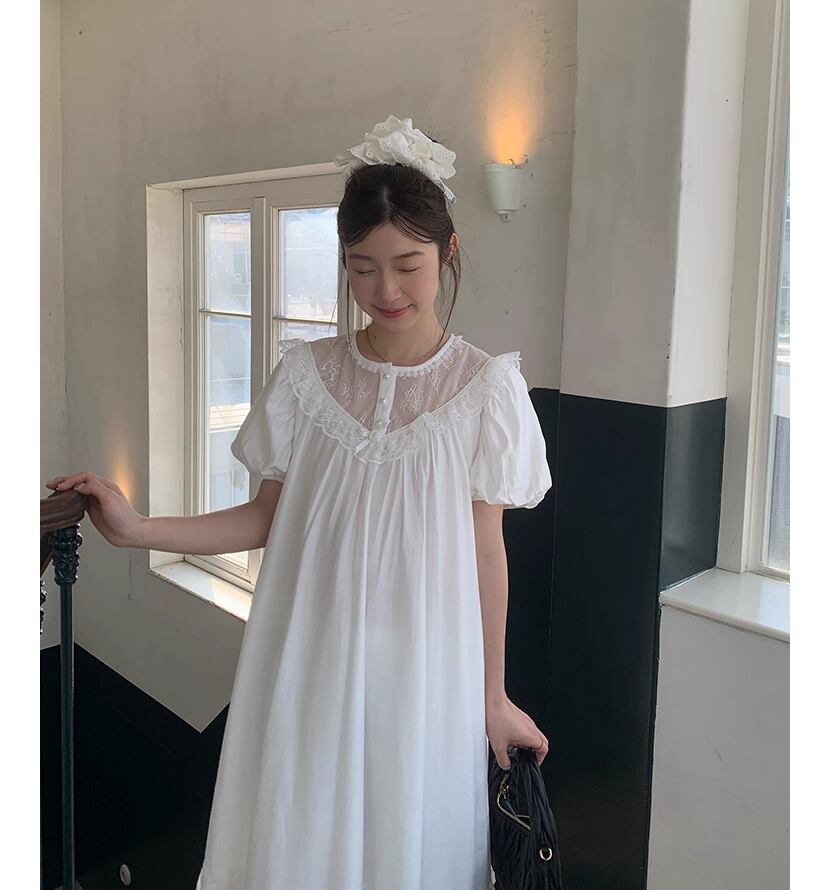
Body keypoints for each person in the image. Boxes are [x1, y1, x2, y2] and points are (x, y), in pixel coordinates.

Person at [45, 115, 553, 890]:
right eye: (362, 268)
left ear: (447, 252)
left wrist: (492, 696)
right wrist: (138, 528)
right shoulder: (306, 376)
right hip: (305, 661)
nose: (386, 291)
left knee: (406, 847)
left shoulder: (487, 391)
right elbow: (266, 519)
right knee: (296, 843)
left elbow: (489, 552)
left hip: (426, 676)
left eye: (408, 265)